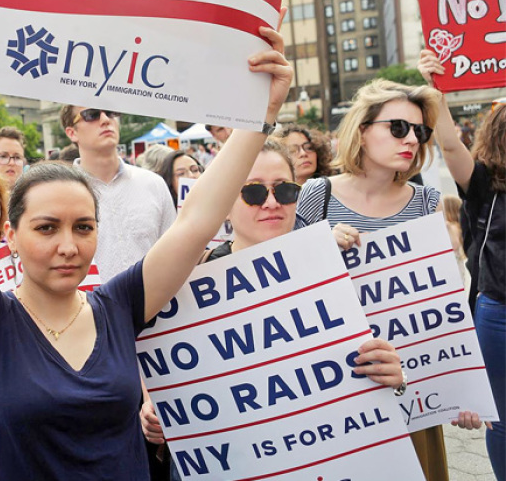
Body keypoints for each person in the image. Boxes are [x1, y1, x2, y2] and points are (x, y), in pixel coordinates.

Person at [0, 0, 292, 480]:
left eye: (84, 228)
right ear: (11, 235)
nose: (68, 245)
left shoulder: (118, 306)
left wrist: (259, 114)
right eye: (47, 228)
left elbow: (197, 222)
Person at [141, 140, 405, 480]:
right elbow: (157, 359)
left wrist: (395, 378)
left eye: (285, 190)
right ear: (223, 202)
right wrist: (153, 409)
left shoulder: (336, 270)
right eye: (252, 192)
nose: (270, 203)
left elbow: (377, 374)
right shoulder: (187, 279)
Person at [295, 78, 480, 481]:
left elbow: (437, 305)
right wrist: (318, 245)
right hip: (335, 387)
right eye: (398, 127)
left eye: (420, 131)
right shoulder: (317, 194)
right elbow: (286, 286)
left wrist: (460, 391)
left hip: (408, 387)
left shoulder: (425, 201)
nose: (411, 139)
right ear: (362, 130)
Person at [419, 50, 505, 481]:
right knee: (503, 420)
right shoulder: (485, 183)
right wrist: (436, 87)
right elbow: (450, 143)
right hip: (499, 315)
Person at [59, 105, 176, 282]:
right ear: (72, 133)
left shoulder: (153, 184)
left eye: (111, 112)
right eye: (92, 115)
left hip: (158, 304)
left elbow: (175, 252)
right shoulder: (59, 194)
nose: (106, 119)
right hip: (89, 306)